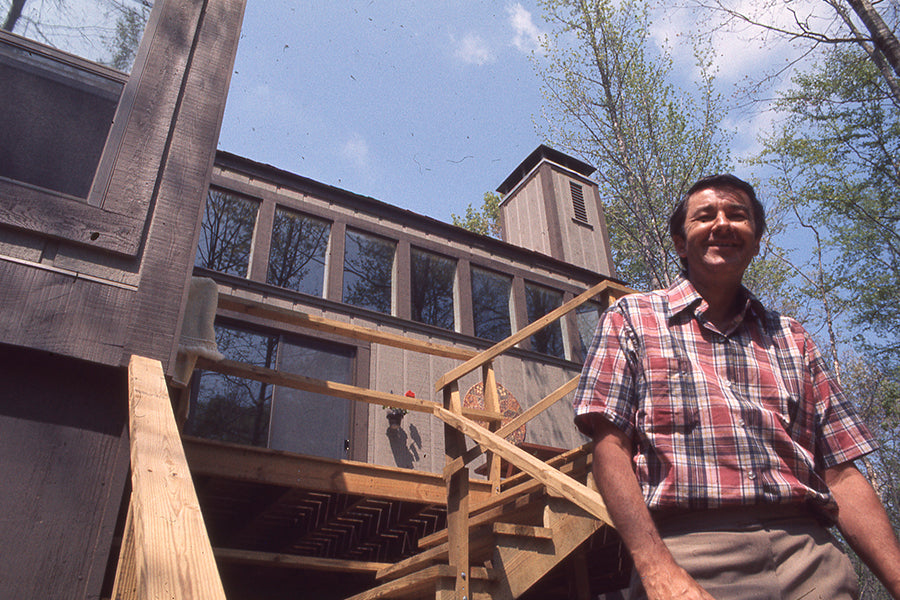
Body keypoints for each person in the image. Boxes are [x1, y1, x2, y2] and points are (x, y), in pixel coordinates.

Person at [573, 174, 900, 599]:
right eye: (705, 215)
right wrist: (656, 569)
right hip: (694, 553)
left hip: (811, 555)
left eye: (738, 215)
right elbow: (609, 449)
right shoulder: (631, 318)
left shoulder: (792, 336)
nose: (722, 224)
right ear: (679, 242)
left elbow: (840, 474)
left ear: (757, 240)